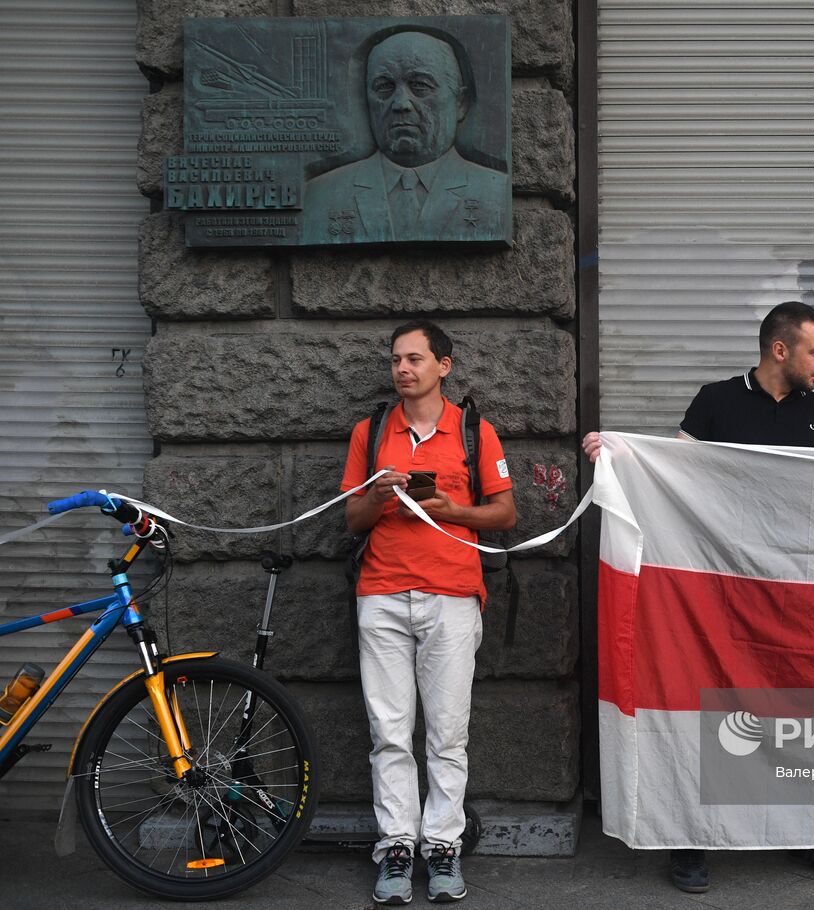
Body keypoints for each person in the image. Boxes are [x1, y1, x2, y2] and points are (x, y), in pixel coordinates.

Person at [583, 301, 814, 893]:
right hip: (719, 588)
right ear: (780, 350)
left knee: (799, 705)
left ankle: (809, 833)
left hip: (794, 588)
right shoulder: (716, 401)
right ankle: (690, 840)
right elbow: (672, 473)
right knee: (708, 701)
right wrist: (621, 457)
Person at [341, 319, 517, 904]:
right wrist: (379, 494)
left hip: (451, 595)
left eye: (415, 359)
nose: (402, 369)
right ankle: (396, 844)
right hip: (382, 595)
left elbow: (506, 515)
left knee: (447, 734)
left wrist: (449, 510)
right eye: (396, 359)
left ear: (445, 365)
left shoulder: (474, 431)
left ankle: (443, 846)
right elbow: (352, 522)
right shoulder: (370, 432)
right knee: (389, 732)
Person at [303, 30, 510, 244]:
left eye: (420, 85)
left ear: (461, 103)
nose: (400, 103)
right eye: (384, 87)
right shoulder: (322, 195)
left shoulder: (495, 191)